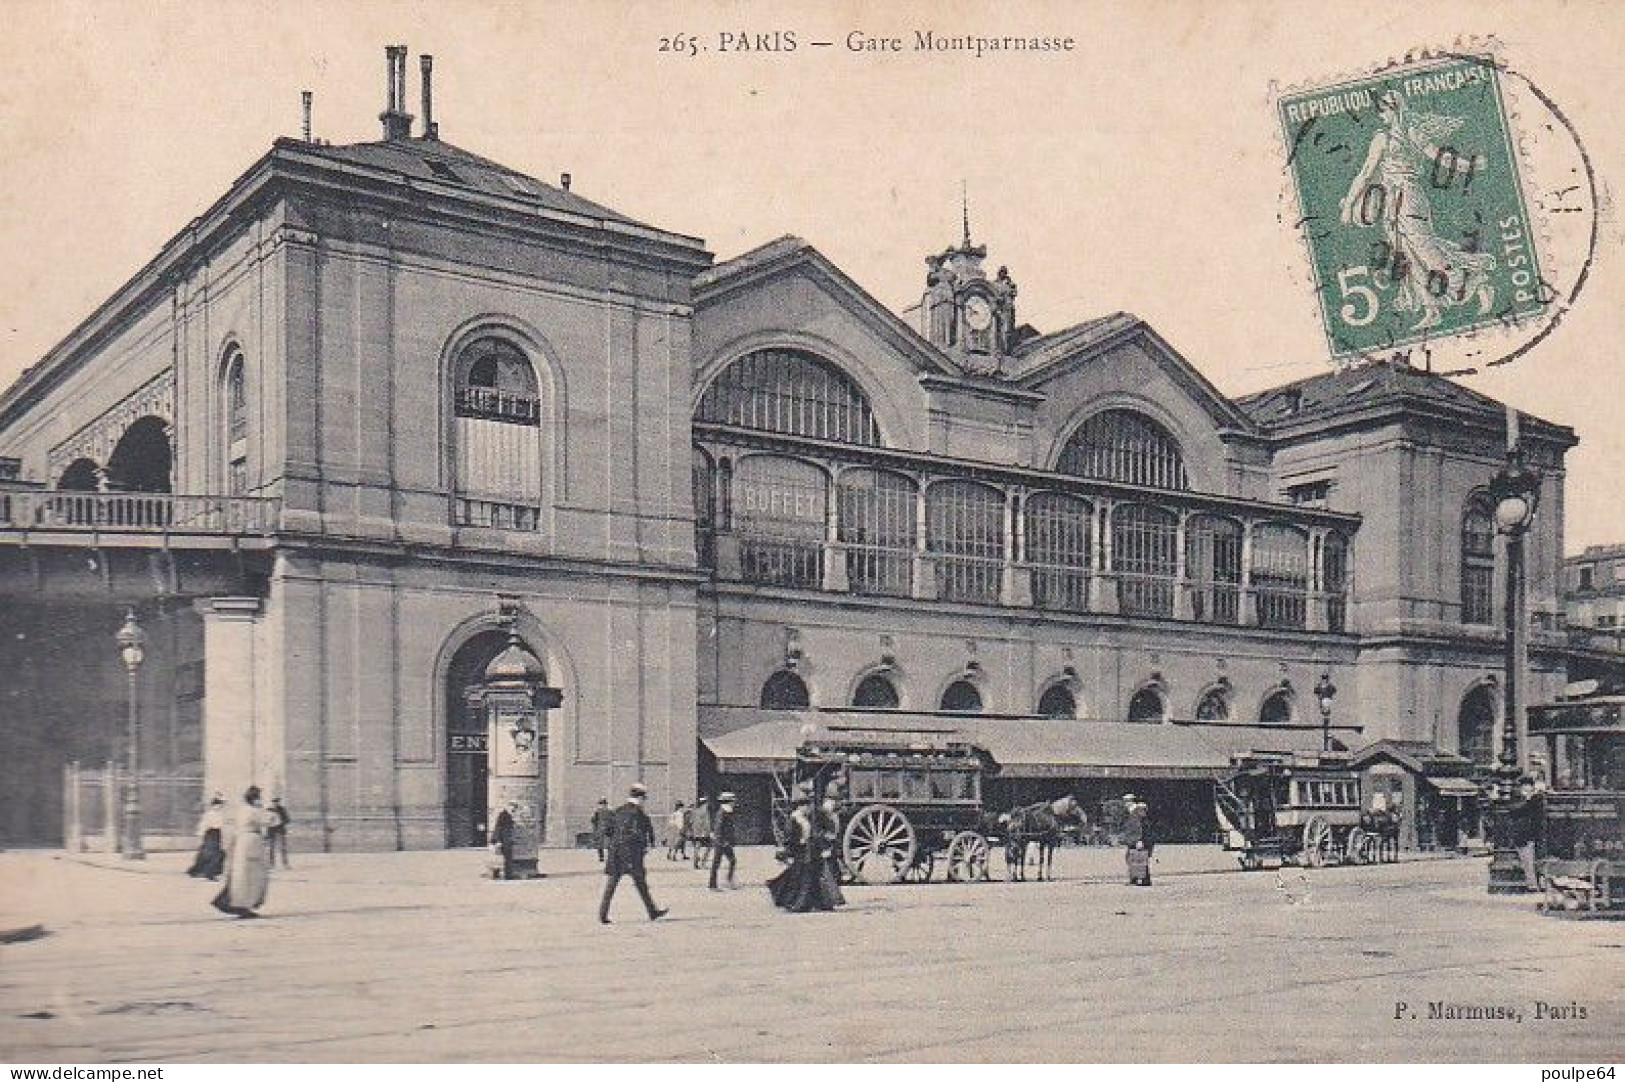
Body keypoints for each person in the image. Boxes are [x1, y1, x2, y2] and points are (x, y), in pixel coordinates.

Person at [600, 783, 667, 924]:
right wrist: (644, 847)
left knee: (612, 884)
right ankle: (652, 911)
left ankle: (603, 914)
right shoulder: (638, 813)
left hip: (616, 852)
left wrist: (614, 843)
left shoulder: (618, 810)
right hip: (632, 853)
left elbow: (607, 830)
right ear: (641, 797)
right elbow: (639, 833)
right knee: (641, 883)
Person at [767, 793, 845, 913]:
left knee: (815, 877)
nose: (808, 808)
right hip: (800, 852)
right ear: (799, 807)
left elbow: (816, 833)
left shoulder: (808, 818)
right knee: (801, 878)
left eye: (808, 805)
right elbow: (789, 838)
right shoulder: (793, 819)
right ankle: (798, 904)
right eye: (806, 806)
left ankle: (820, 903)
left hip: (812, 851)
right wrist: (793, 849)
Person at [212, 786, 272, 918]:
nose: (260, 800)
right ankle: (243, 905)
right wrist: (264, 809)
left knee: (243, 874)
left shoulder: (243, 810)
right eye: (258, 798)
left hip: (243, 842)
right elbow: (270, 820)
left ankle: (241, 903)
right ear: (254, 799)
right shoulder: (253, 811)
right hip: (251, 843)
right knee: (250, 876)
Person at [186, 794, 227, 880]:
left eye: (221, 805)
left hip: (216, 834)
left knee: (213, 854)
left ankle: (206, 871)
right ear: (215, 805)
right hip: (210, 834)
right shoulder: (209, 814)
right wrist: (200, 834)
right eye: (219, 804)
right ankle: (208, 872)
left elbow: (221, 826)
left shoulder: (220, 814)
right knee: (211, 854)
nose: (220, 806)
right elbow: (204, 825)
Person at [709, 792, 738, 890]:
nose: (734, 802)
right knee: (716, 863)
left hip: (724, 842)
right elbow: (718, 828)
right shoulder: (722, 812)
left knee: (732, 860)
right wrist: (722, 841)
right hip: (721, 842)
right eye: (733, 800)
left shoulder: (727, 811)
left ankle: (729, 880)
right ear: (728, 801)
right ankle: (712, 885)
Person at [1123, 793, 1151, 886]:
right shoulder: (1131, 813)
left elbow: (1140, 827)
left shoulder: (1137, 811)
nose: (1125, 803)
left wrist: (1140, 840)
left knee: (1141, 859)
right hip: (1133, 839)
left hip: (1138, 839)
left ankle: (1144, 879)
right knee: (1132, 858)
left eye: (1127, 801)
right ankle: (1135, 878)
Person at [490, 800, 518, 880]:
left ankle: (507, 875)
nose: (513, 810)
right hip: (503, 840)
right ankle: (506, 875)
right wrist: (497, 840)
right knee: (504, 858)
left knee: (505, 858)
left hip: (506, 840)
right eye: (513, 808)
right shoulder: (503, 815)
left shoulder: (508, 815)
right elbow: (498, 828)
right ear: (509, 807)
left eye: (514, 809)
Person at [266, 796, 291, 869]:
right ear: (272, 802)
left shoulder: (282, 809)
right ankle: (271, 864)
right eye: (274, 802)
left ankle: (285, 863)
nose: (275, 803)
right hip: (271, 831)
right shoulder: (269, 810)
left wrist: (281, 821)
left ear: (278, 802)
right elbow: (266, 820)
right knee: (271, 848)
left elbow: (288, 820)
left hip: (280, 830)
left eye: (276, 802)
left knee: (283, 847)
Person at [689, 795, 713, 870]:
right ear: (705, 802)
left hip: (696, 832)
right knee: (709, 847)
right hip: (703, 832)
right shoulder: (705, 810)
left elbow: (691, 821)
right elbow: (706, 822)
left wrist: (693, 831)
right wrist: (709, 831)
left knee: (697, 846)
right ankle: (703, 863)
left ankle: (695, 863)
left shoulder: (695, 810)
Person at [590, 798, 613, 863]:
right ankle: (603, 857)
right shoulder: (607, 811)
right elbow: (594, 821)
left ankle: (605, 857)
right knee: (603, 844)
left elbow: (593, 821)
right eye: (601, 804)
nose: (602, 805)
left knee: (607, 844)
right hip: (604, 829)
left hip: (605, 829)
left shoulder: (606, 811)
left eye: (603, 804)